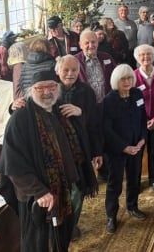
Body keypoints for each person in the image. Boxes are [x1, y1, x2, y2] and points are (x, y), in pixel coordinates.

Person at [0, 70, 95, 252]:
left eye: (51, 86)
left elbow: (81, 139)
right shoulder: (20, 119)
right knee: (40, 243)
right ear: (30, 90)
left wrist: (79, 113)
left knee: (63, 236)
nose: (47, 92)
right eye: (40, 88)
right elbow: (13, 164)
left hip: (65, 189)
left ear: (57, 88)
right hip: (39, 196)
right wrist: (39, 192)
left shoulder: (61, 110)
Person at [54, 55, 102, 240]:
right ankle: (60, 224)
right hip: (56, 153)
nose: (70, 74)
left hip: (80, 150)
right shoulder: (50, 90)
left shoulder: (86, 91)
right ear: (57, 70)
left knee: (78, 189)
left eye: (74, 70)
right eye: (66, 70)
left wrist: (81, 112)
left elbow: (95, 123)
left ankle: (71, 225)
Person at [103, 64, 147, 234]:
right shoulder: (109, 100)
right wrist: (124, 147)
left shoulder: (137, 94)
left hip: (136, 147)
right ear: (116, 81)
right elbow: (107, 129)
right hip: (117, 149)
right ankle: (111, 216)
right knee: (115, 183)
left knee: (134, 178)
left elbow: (144, 118)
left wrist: (142, 139)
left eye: (129, 78)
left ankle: (132, 206)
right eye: (123, 79)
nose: (127, 81)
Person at [133, 45, 154, 193]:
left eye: (149, 54)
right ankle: (136, 181)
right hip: (138, 124)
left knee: (153, 152)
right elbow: (130, 103)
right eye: (142, 55)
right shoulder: (133, 76)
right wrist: (142, 121)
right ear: (137, 58)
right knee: (138, 153)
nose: (145, 58)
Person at [75, 29, 116, 104]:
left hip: (107, 104)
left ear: (97, 42)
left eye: (93, 42)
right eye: (87, 43)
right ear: (80, 45)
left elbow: (116, 78)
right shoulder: (74, 61)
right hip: (86, 107)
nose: (91, 46)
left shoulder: (107, 57)